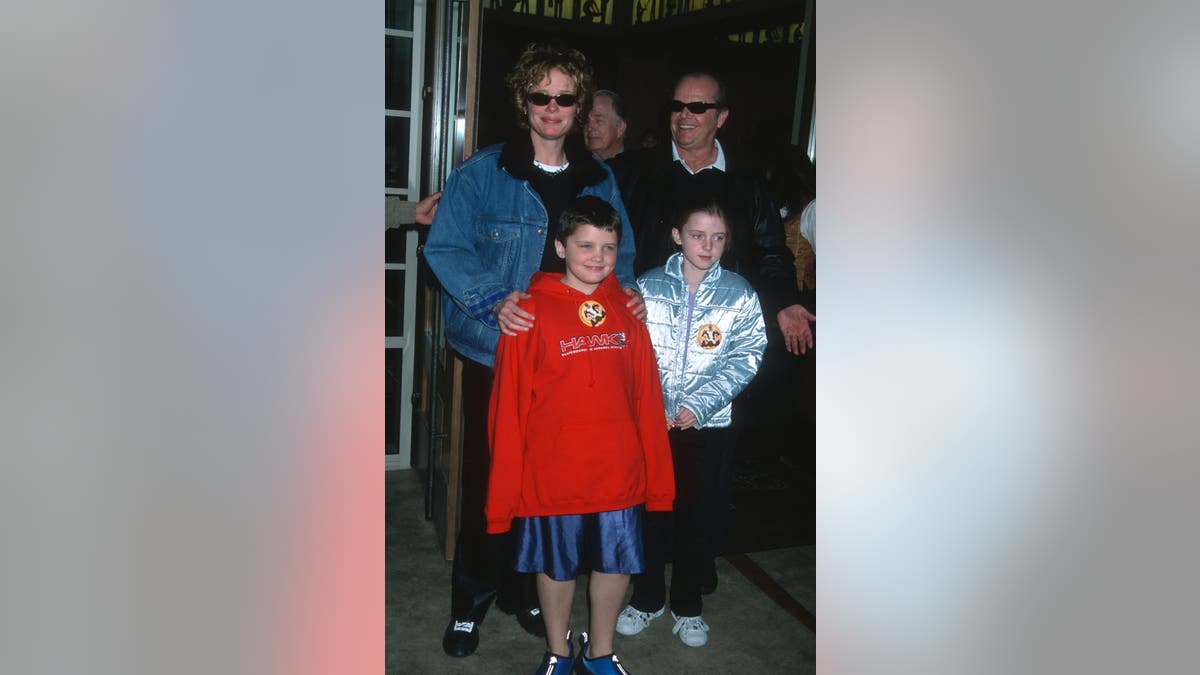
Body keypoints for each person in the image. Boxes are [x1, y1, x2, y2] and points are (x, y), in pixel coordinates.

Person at [422, 42, 645, 658]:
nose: (552, 107)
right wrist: (493, 298)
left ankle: (528, 595)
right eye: (540, 95)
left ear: (580, 107)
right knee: (491, 483)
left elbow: (618, 257)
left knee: (547, 492)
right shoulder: (481, 173)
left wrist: (627, 296)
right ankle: (470, 602)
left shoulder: (598, 177)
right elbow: (444, 248)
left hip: (575, 360)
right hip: (500, 354)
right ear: (523, 101)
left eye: (565, 97)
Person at [487, 196, 674, 674]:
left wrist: (655, 471)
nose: (597, 257)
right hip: (554, 470)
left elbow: (646, 395)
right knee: (557, 564)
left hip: (617, 466)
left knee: (616, 563)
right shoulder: (529, 311)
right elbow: (508, 406)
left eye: (608, 248)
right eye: (585, 245)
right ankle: (558, 649)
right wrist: (507, 486)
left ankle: (601, 652)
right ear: (560, 247)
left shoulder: (629, 310)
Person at [620, 195, 766, 648]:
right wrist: (655, 405)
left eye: (718, 238)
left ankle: (687, 604)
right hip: (654, 425)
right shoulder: (646, 287)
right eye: (698, 236)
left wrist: (699, 404)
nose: (707, 246)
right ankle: (646, 598)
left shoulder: (739, 294)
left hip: (708, 428)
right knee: (650, 514)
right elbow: (629, 351)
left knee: (698, 517)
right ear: (677, 236)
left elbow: (747, 356)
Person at [584, 90, 628, 160]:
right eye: (586, 121)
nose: (589, 127)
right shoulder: (575, 167)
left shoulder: (642, 167)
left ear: (620, 128)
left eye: (598, 121)